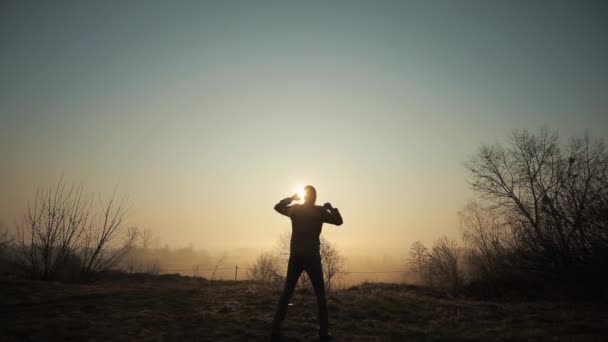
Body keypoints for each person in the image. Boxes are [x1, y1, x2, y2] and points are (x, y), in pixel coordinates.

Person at [271, 185, 343, 341]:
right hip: (312, 256)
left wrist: (291, 198)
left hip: (296, 255)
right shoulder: (320, 211)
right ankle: (323, 332)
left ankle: (276, 328)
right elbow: (339, 221)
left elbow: (277, 207)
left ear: (304, 196)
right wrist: (331, 208)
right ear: (315, 197)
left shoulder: (296, 209)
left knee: (287, 293)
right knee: (320, 295)